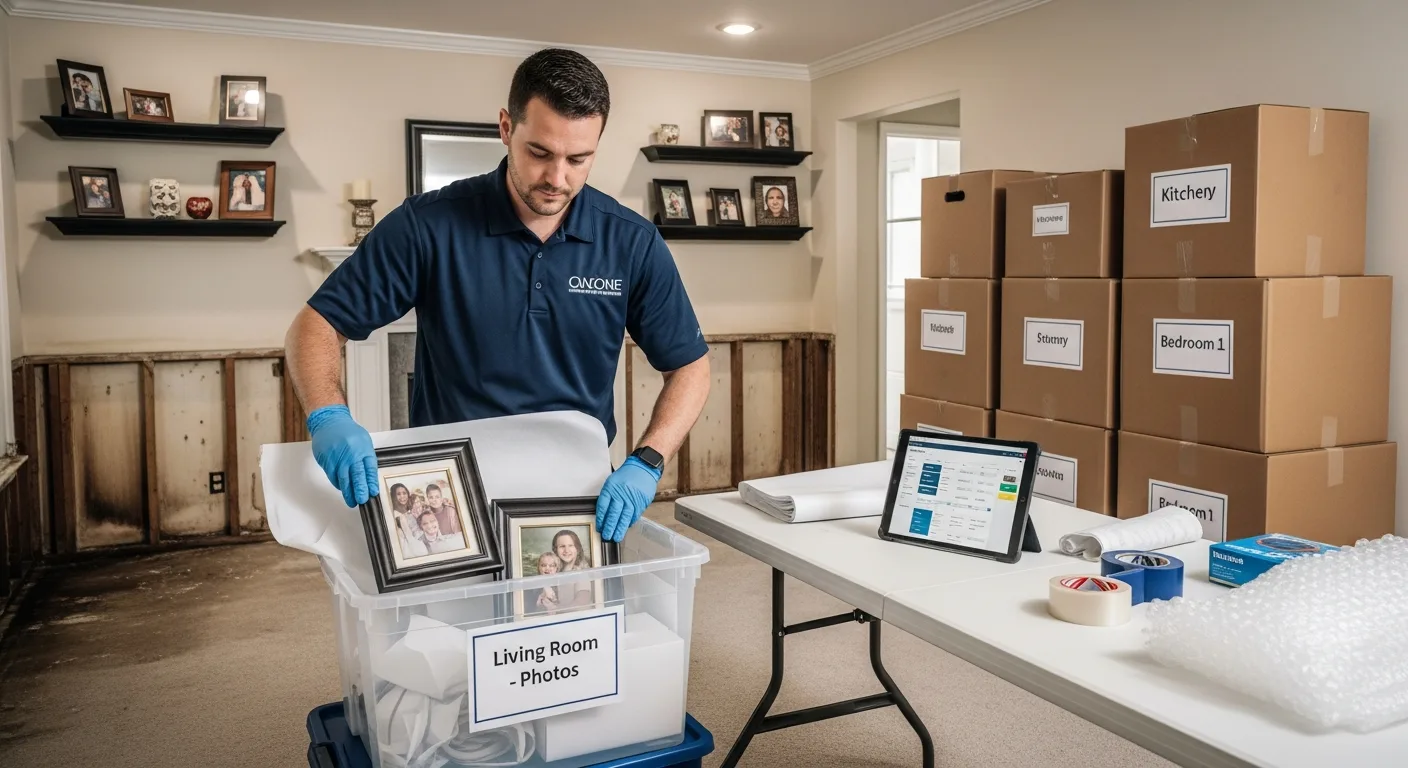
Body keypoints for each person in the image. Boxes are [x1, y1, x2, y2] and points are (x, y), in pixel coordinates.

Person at [284, 48, 710, 544]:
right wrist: (328, 415)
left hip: (578, 495)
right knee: (452, 621)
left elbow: (690, 366)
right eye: (540, 153)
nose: (558, 178)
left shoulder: (631, 242)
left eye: (579, 159)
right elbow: (316, 323)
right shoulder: (428, 225)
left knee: (571, 620)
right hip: (448, 495)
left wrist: (647, 461)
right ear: (506, 128)